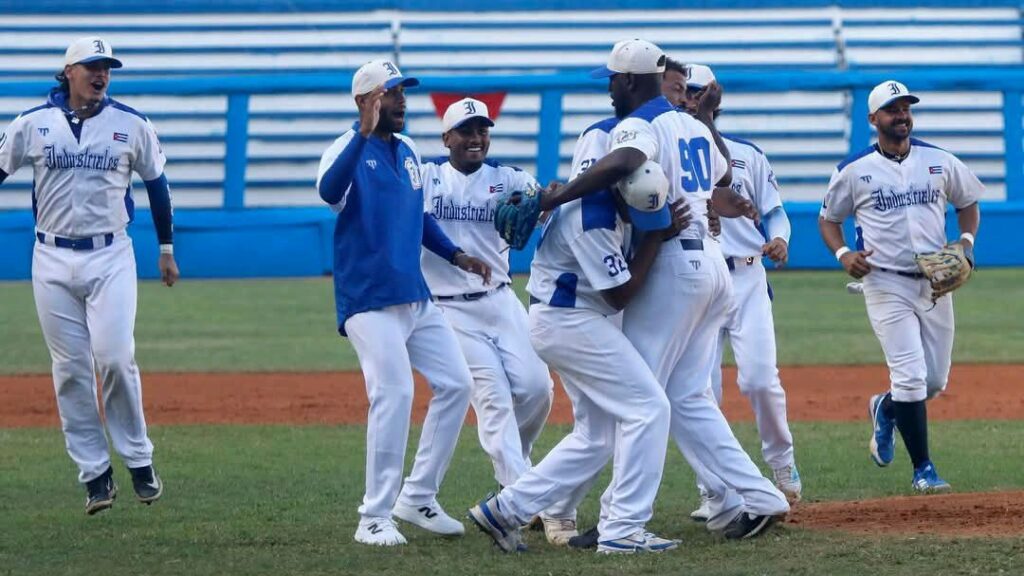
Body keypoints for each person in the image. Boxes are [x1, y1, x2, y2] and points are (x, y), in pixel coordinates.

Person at [530, 38, 790, 541]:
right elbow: (720, 175)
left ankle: (617, 521)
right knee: (687, 397)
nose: (609, 87)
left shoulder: (632, 125)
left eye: (613, 79)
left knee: (637, 401)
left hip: (669, 267)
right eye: (677, 83)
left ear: (630, 80)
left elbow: (622, 165)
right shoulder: (691, 125)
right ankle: (758, 498)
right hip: (711, 264)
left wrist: (558, 198)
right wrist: (705, 126)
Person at [316, 59, 491, 546]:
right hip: (369, 300)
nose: (401, 100)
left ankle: (417, 497)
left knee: (457, 384)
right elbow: (329, 192)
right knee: (394, 394)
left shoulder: (409, 149)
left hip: (415, 296)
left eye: (402, 92)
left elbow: (419, 215)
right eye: (390, 92)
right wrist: (361, 133)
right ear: (365, 101)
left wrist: (455, 254)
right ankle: (373, 517)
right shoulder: (345, 148)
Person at [0, 37, 177, 515]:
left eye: (107, 68)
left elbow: (157, 186)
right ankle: (95, 475)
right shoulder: (33, 123)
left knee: (115, 357)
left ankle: (138, 459)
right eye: (92, 66)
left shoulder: (131, 124)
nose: (101, 75)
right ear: (69, 72)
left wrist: (165, 248)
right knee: (71, 369)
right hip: (51, 257)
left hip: (110, 254)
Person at [419, 98, 576, 545]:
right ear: (446, 138)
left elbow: (547, 209)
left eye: (482, 131)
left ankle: (518, 474)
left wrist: (551, 198)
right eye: (466, 131)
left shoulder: (510, 179)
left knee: (537, 388)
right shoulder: (426, 179)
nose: (476, 138)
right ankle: (528, 500)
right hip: (448, 307)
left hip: (501, 299)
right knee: (493, 400)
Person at [818, 80, 981, 493]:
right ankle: (923, 469)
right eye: (892, 110)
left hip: (935, 282)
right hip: (884, 282)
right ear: (873, 119)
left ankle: (886, 407)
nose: (902, 115)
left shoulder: (938, 160)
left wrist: (965, 243)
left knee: (933, 382)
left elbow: (967, 202)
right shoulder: (853, 170)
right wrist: (843, 254)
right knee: (909, 377)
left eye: (906, 108)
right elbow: (828, 219)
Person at [664, 61, 802, 515]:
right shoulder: (665, 150)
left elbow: (775, 210)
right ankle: (714, 490)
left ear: (713, 96)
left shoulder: (745, 154)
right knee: (702, 390)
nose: (691, 99)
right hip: (696, 275)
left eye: (699, 92)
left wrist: (779, 238)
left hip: (746, 275)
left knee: (760, 379)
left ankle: (781, 463)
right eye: (687, 91)